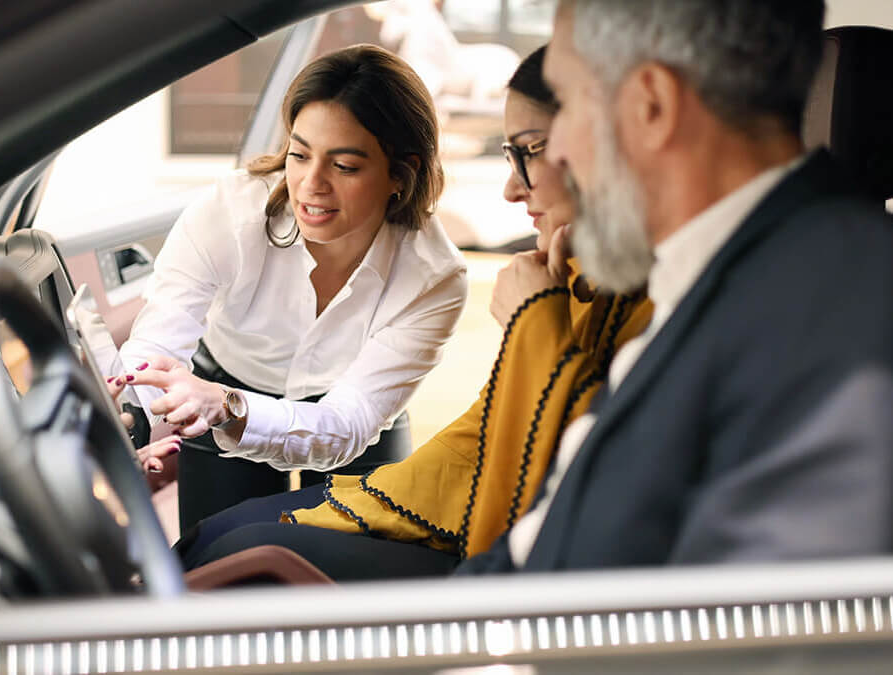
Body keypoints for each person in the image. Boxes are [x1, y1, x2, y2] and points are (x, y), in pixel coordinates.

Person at [172, 46, 653, 580]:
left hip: (481, 535)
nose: (511, 188)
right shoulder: (586, 280)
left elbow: (560, 463)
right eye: (298, 154)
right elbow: (491, 436)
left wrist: (535, 319)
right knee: (210, 539)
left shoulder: (454, 277)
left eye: (530, 152)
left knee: (234, 558)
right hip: (244, 395)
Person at [457, 0, 893, 575]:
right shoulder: (717, 279)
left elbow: (765, 644)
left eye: (569, 107)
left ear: (651, 105)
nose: (558, 152)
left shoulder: (832, 312)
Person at [120, 44, 468, 535]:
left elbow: (345, 426)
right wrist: (131, 417)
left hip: (352, 421)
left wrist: (227, 405)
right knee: (217, 565)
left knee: (354, 583)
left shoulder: (434, 278)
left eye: (344, 166)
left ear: (400, 174)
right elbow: (159, 338)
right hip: (222, 389)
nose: (311, 184)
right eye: (299, 155)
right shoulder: (229, 210)